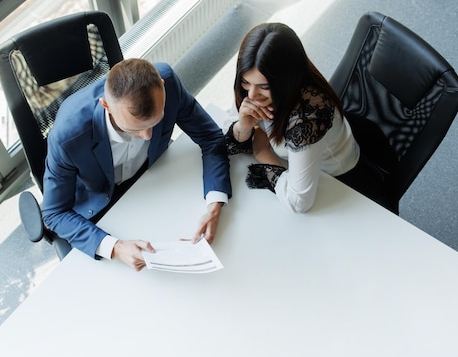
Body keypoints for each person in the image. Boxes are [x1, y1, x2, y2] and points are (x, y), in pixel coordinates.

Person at [42, 58, 232, 271]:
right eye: (133, 129)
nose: (146, 135)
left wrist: (215, 204)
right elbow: (54, 213)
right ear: (106, 106)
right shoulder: (68, 135)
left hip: (153, 181)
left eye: (155, 122)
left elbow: (210, 137)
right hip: (100, 204)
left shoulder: (167, 81)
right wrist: (115, 247)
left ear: (162, 84)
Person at [224, 23, 386, 212]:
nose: (251, 95)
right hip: (295, 164)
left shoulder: (306, 118)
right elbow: (227, 134)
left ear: (287, 80)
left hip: (336, 181)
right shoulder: (256, 86)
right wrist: (244, 125)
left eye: (264, 86)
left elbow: (299, 202)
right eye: (245, 81)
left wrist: (262, 153)